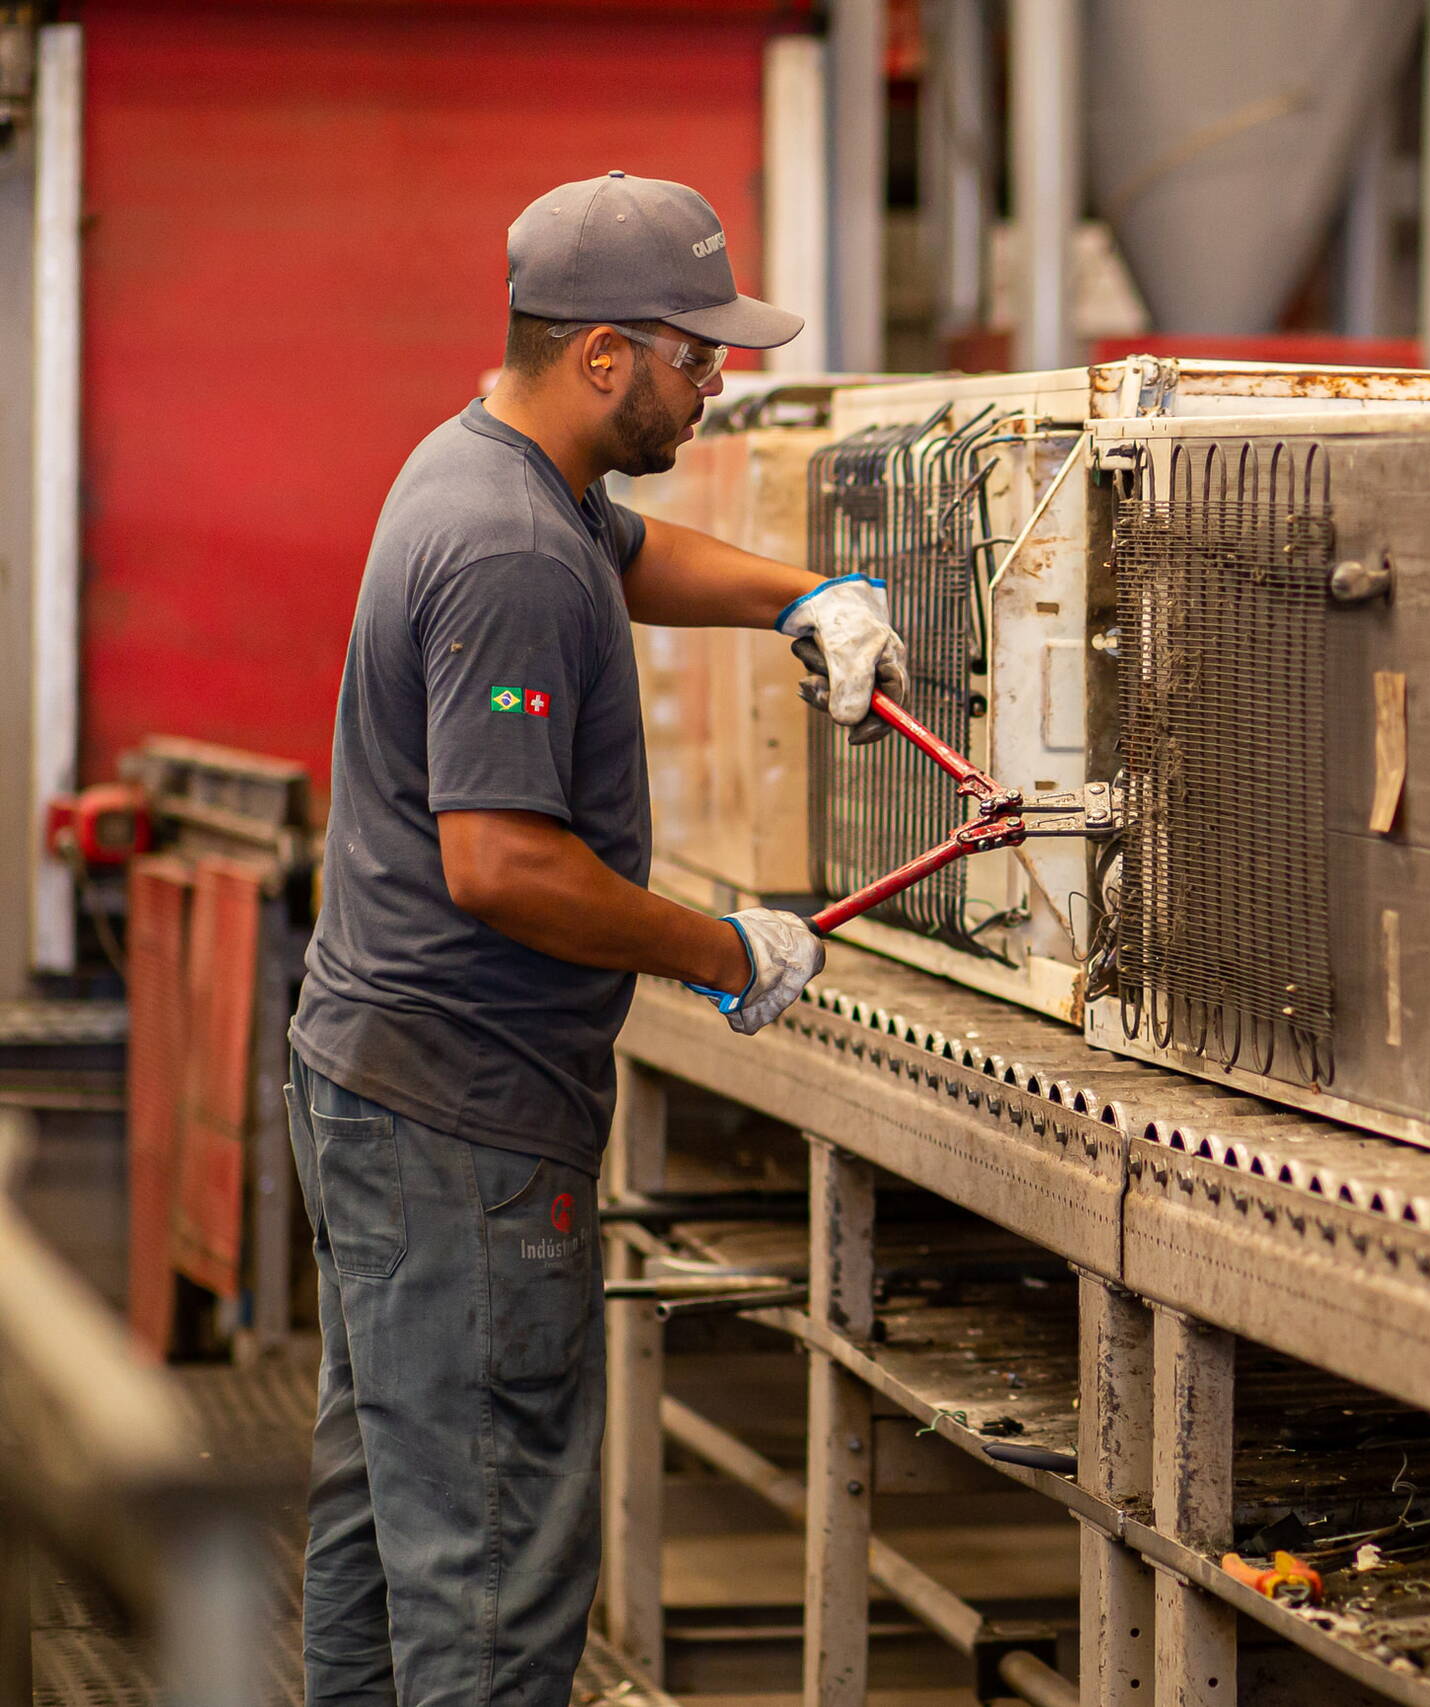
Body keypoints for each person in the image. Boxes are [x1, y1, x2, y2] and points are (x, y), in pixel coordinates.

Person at [284, 171, 903, 1706]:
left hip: (384, 1081)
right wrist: (723, 949)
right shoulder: (503, 551)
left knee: (388, 1525)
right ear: (608, 357)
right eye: (701, 359)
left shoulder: (494, 467)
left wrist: (801, 600)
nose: (719, 387)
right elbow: (500, 866)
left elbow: (626, 554)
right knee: (490, 1564)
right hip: (462, 1119)